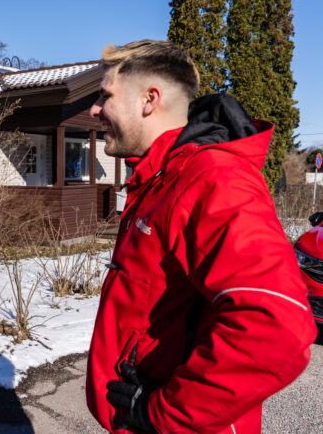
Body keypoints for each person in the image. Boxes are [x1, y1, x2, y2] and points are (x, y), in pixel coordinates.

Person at [85, 40, 316, 434]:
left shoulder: (212, 179)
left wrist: (164, 414)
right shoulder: (159, 179)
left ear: (148, 99)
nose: (94, 109)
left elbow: (277, 326)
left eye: (105, 96)